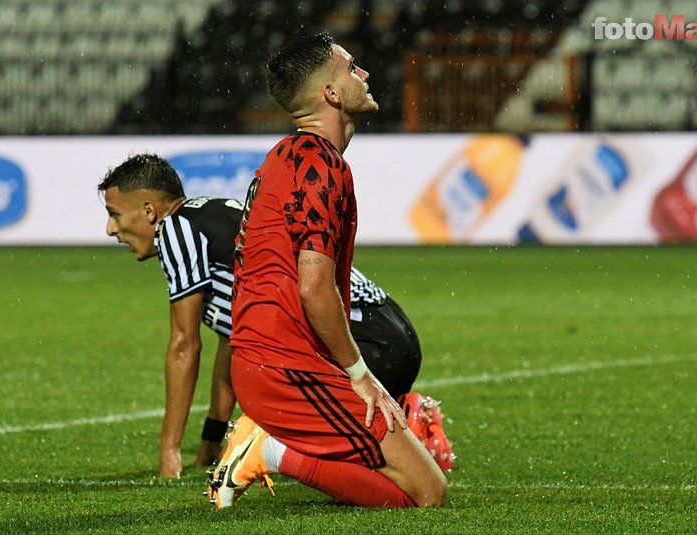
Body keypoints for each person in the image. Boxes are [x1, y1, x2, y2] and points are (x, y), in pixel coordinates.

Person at [97, 154, 453, 479]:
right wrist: (209, 441)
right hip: (390, 332)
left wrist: (168, 453)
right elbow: (233, 342)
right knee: (259, 368)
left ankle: (400, 433)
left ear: (148, 211)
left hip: (360, 338)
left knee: (271, 403)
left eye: (114, 215)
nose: (111, 230)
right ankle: (406, 417)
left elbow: (183, 346)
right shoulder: (212, 215)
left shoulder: (174, 229)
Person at [208, 32, 447, 509]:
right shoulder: (318, 164)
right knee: (427, 492)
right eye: (351, 68)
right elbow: (314, 288)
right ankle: (269, 451)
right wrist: (360, 374)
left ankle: (276, 448)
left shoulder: (288, 156)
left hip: (271, 359)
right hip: (283, 366)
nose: (365, 75)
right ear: (331, 94)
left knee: (413, 480)